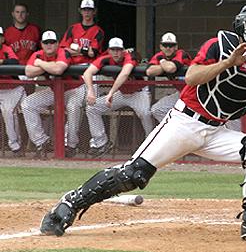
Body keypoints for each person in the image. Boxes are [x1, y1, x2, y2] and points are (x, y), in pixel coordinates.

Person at [40, 2, 246, 241]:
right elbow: (192, 77)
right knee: (135, 174)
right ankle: (70, 203)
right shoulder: (218, 45)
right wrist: (228, 63)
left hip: (216, 131)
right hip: (183, 123)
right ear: (242, 28)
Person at [84, 37, 153, 157]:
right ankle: (101, 143)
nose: (116, 52)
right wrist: (90, 91)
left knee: (145, 114)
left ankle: (152, 144)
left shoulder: (129, 56)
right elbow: (87, 73)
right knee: (92, 108)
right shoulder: (105, 59)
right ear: (109, 50)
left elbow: (125, 73)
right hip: (121, 94)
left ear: (123, 50)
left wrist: (110, 93)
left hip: (139, 93)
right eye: (113, 49)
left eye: (118, 49)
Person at [21, 30, 86, 158]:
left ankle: (70, 145)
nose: (49, 45)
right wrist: (48, 65)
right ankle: (42, 142)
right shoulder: (37, 54)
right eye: (46, 42)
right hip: (55, 91)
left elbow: (58, 69)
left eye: (52, 42)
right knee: (27, 104)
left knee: (73, 108)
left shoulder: (63, 52)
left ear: (57, 44)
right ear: (41, 44)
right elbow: (28, 72)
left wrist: (40, 64)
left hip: (75, 89)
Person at [146, 32, 192, 122]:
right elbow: (150, 71)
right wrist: (164, 66)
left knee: (190, 116)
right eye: (165, 45)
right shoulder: (159, 55)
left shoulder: (182, 54)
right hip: (181, 93)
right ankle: (176, 132)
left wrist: (162, 61)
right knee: (157, 110)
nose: (168, 48)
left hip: (194, 92)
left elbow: (171, 68)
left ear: (176, 47)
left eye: (171, 45)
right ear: (161, 46)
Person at [0, 27, 25, 156]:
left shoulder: (6, 49)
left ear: (2, 39)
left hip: (12, 88)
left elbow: (14, 62)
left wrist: (2, 61)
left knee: (8, 111)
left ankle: (15, 145)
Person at [59, 0, 105, 65]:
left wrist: (76, 50)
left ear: (94, 11)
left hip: (90, 66)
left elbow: (92, 53)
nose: (87, 12)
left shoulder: (98, 31)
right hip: (72, 65)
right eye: (84, 10)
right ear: (80, 11)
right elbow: (63, 50)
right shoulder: (72, 28)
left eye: (89, 10)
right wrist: (84, 51)